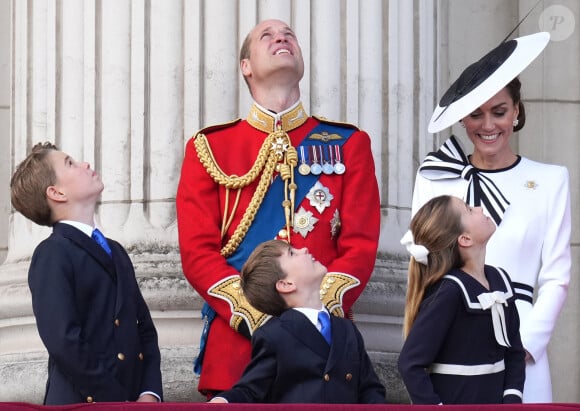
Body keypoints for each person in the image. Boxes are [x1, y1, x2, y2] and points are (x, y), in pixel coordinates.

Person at [176, 19, 380, 396]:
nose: (281, 38)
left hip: (325, 356)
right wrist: (256, 317)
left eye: (288, 35)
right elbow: (197, 253)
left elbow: (361, 245)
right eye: (266, 37)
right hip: (239, 353)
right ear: (246, 66)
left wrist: (314, 314)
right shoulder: (209, 148)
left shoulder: (349, 143)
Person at [411, 32, 570, 403]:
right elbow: (421, 263)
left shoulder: (551, 179)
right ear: (462, 119)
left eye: (499, 111)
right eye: (475, 114)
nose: (488, 125)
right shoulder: (435, 176)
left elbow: (556, 275)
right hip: (454, 338)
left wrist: (525, 346)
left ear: (516, 111)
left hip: (522, 338)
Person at [10, 142, 163, 405]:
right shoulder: (52, 253)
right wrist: (114, 401)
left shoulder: (115, 251)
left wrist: (149, 392)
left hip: (131, 402)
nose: (86, 164)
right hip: (84, 403)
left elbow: (144, 330)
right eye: (70, 163)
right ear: (56, 192)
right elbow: (64, 341)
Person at [208, 240, 386, 403]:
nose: (305, 249)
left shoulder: (346, 329)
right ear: (286, 284)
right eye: (292, 253)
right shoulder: (273, 335)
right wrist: (224, 401)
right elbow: (251, 390)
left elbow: (370, 389)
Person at [398, 195, 525, 404]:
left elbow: (514, 352)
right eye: (468, 209)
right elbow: (410, 364)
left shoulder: (500, 280)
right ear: (464, 239)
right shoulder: (449, 292)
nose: (478, 208)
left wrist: (512, 400)